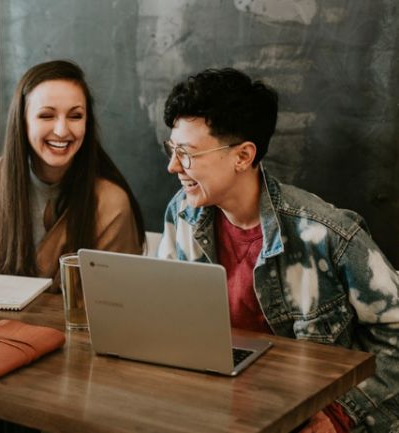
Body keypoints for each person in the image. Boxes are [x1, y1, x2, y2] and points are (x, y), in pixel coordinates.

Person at [158, 67, 399, 433]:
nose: (173, 166)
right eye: (172, 149)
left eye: (187, 154)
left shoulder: (326, 233)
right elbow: (166, 317)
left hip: (307, 415)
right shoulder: (183, 212)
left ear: (243, 156)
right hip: (216, 407)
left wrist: (340, 414)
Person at [0, 60, 145, 290]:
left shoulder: (111, 203)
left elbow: (119, 302)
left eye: (75, 116)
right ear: (23, 122)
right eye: (46, 116)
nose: (62, 130)